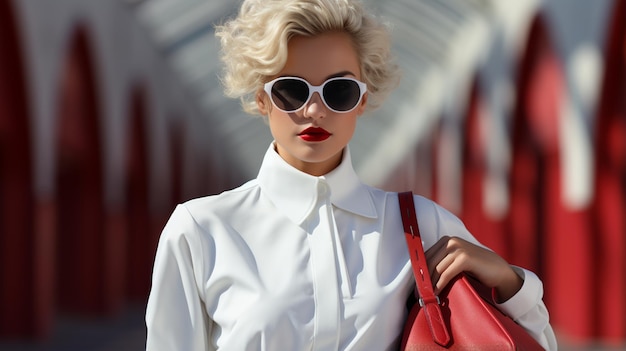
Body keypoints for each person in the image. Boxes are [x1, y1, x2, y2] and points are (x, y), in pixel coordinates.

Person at [145, 0, 558, 350]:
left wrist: (507, 279)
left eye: (338, 91)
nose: (314, 111)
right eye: (292, 90)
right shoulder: (200, 230)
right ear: (261, 98)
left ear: (363, 99)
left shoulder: (421, 225)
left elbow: (534, 340)